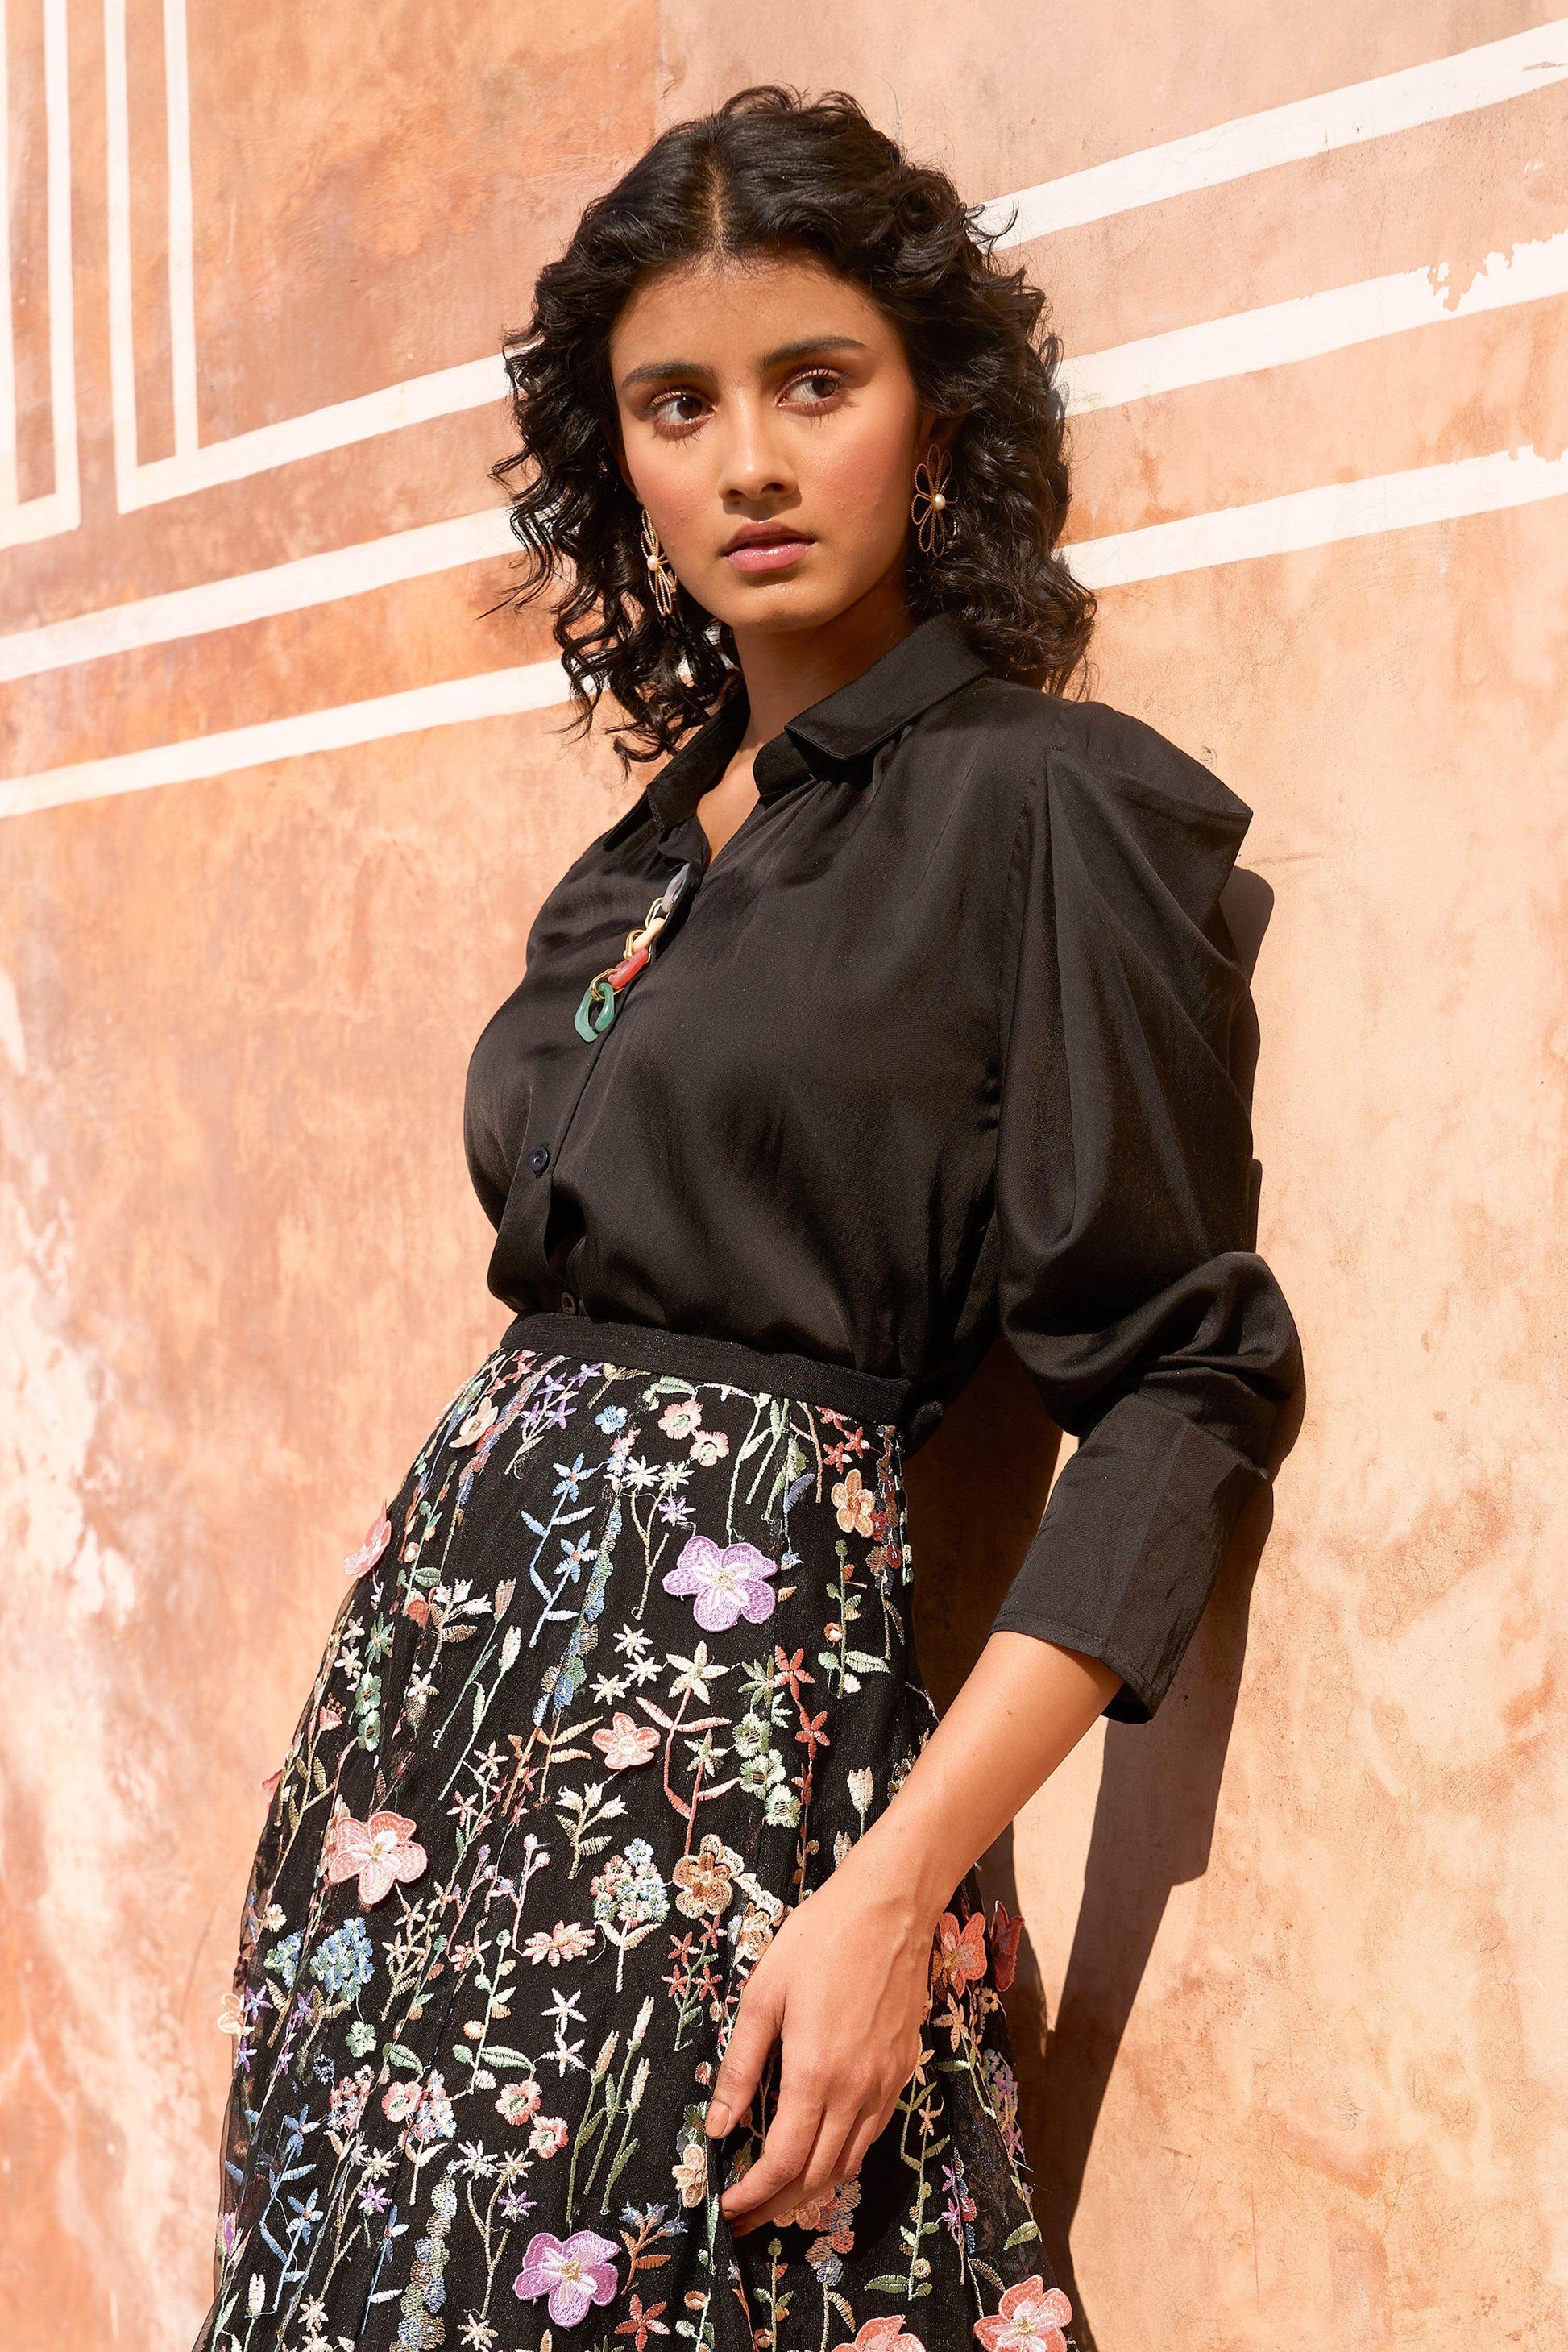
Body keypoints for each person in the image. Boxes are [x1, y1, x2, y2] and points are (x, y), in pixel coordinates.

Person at [195, 85, 1300, 2352]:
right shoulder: (644, 854)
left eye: (816, 382)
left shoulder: (1044, 810)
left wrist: (897, 1887)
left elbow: (1185, 1383)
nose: (749, 465)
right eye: (676, 406)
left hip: (720, 1749)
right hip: (424, 1759)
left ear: (934, 415)